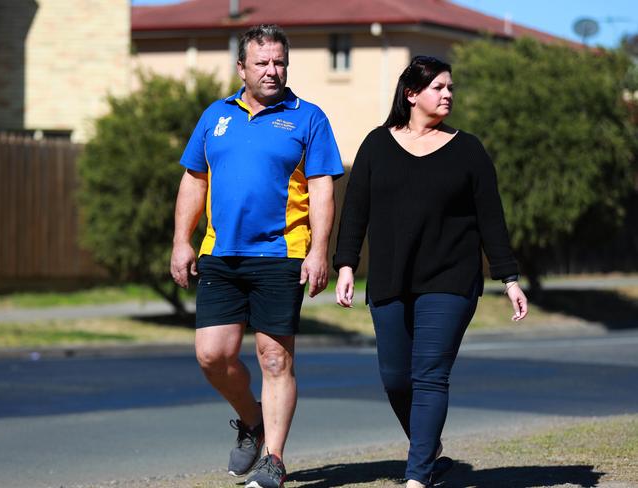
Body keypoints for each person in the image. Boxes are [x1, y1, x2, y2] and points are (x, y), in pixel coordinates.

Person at [334, 55, 528, 488]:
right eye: (439, 87)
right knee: (395, 378)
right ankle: (429, 447)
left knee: (429, 375)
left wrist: (509, 278)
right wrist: (345, 265)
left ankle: (418, 475)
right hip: (389, 278)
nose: (448, 95)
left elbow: (491, 220)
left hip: (450, 279)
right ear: (411, 94)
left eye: (451, 88)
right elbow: (355, 211)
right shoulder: (376, 144)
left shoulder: (468, 150)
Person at [170, 24, 344, 488]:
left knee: (274, 359)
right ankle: (253, 420)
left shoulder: (308, 118)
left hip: (281, 254)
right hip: (219, 253)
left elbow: (323, 190)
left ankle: (274, 459)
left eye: (279, 62)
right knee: (211, 356)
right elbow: (194, 179)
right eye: (263, 62)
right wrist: (181, 241)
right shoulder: (214, 116)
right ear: (241, 67)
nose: (272, 70)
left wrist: (319, 251)